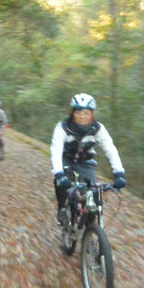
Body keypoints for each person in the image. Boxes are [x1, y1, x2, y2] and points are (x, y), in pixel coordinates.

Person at [50, 93, 126, 227]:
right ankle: (62, 208)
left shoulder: (97, 129)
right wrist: (59, 174)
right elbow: (56, 150)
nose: (82, 116)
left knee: (92, 196)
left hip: (85, 161)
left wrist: (119, 173)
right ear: (72, 112)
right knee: (62, 184)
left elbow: (110, 150)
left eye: (86, 113)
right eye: (78, 112)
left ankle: (90, 228)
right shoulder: (63, 127)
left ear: (92, 114)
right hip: (66, 159)